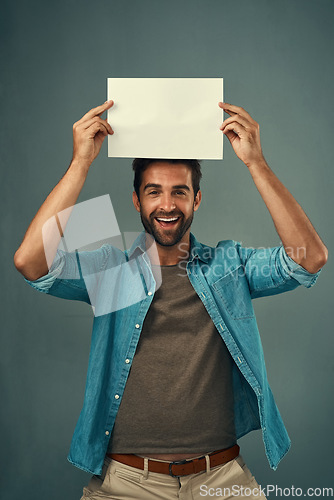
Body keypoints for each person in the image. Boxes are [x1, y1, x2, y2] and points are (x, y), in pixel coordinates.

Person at [14, 100, 328, 500]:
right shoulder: (112, 270)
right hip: (127, 484)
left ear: (197, 200)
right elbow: (31, 262)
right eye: (153, 192)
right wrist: (80, 164)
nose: (167, 205)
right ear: (136, 201)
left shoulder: (228, 265)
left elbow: (310, 258)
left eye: (180, 192)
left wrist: (256, 163)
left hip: (222, 481)